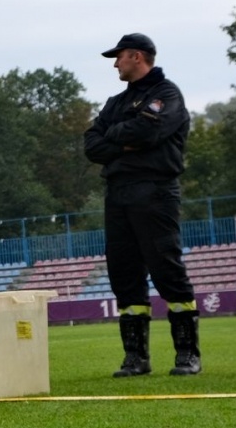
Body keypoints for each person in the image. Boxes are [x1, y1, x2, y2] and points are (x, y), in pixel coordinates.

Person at [84, 33, 201, 377]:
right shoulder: (115, 102)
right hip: (118, 193)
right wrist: (124, 142)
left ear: (136, 56)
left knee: (166, 268)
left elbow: (148, 134)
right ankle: (136, 357)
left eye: (118, 57)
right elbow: (91, 146)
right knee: (124, 273)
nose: (115, 64)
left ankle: (187, 353)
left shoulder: (166, 94)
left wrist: (114, 139)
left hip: (155, 191)